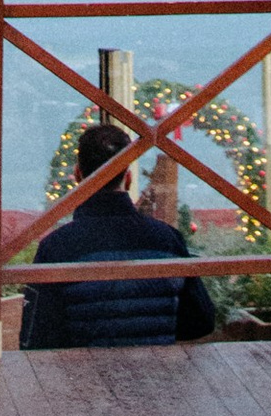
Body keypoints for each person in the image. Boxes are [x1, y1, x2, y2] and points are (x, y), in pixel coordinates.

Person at [19, 118, 219, 350]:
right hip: (158, 379)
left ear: (77, 175)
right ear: (128, 176)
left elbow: (36, 339)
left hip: (84, 382)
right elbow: (201, 322)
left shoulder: (56, 248)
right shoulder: (167, 239)